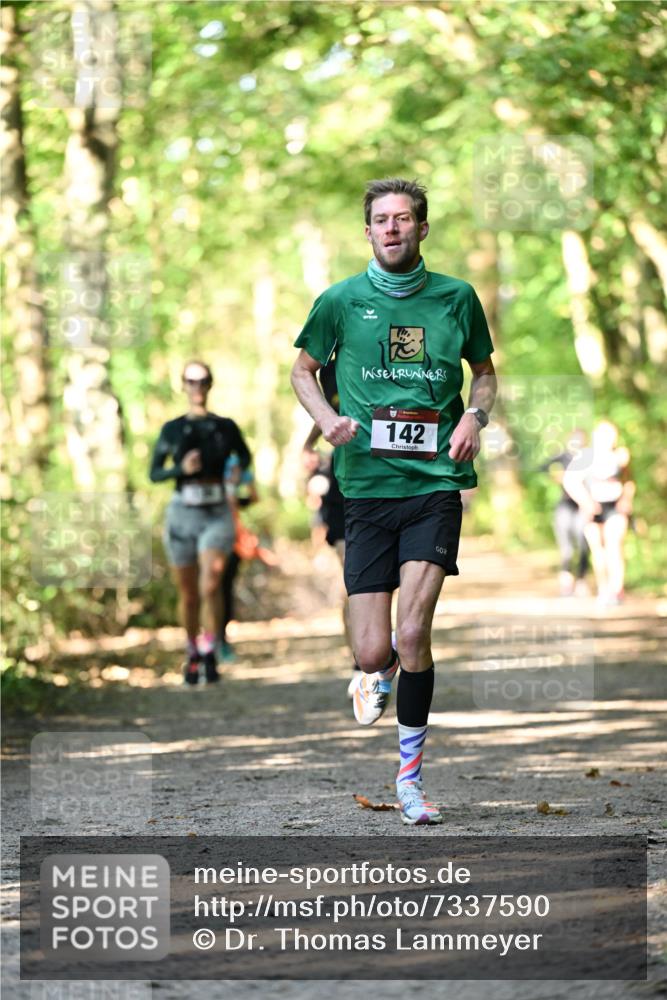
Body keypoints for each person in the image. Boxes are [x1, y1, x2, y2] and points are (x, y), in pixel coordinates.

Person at [291, 178, 496, 824]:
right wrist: (325, 418)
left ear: (421, 229)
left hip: (434, 486)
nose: (390, 229)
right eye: (379, 220)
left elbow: (483, 375)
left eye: (402, 219)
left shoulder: (456, 298)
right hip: (365, 490)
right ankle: (368, 672)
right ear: (366, 231)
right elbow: (301, 369)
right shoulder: (340, 302)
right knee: (375, 649)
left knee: (412, 634)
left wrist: (474, 419)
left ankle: (409, 781)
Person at [150, 360, 251, 684]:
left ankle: (211, 648)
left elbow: (245, 457)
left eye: (203, 380)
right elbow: (154, 473)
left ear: (210, 384)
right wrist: (181, 468)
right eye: (191, 381)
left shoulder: (225, 426)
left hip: (217, 511)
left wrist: (237, 471)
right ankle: (191, 650)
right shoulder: (173, 429)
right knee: (189, 593)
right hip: (182, 512)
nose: (197, 387)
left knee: (211, 583)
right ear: (183, 385)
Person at [301, 360, 353, 683]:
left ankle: (381, 647)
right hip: (344, 484)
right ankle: (361, 660)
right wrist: (309, 442)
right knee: (353, 580)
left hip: (392, 482)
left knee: (386, 585)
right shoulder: (328, 369)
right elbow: (329, 413)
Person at [562, 420, 634, 605]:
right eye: (603, 435)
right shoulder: (585, 457)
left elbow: (629, 481)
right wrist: (585, 501)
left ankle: (617, 590)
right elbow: (570, 481)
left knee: (614, 546)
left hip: (615, 507)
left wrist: (626, 499)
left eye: (611, 435)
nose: (607, 439)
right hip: (592, 509)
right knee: (598, 550)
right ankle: (604, 589)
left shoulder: (620, 456)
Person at [218, 456, 278, 662]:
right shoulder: (211, 482)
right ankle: (210, 641)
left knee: (225, 591)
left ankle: (221, 641)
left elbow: (251, 499)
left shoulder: (234, 479)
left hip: (233, 544)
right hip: (211, 543)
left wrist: (246, 479)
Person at [538, 429, 590, 597]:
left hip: (585, 507)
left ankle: (582, 580)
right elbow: (541, 468)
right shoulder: (562, 456)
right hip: (565, 505)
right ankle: (567, 583)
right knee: (566, 548)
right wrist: (557, 477)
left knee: (583, 545)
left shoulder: (588, 459)